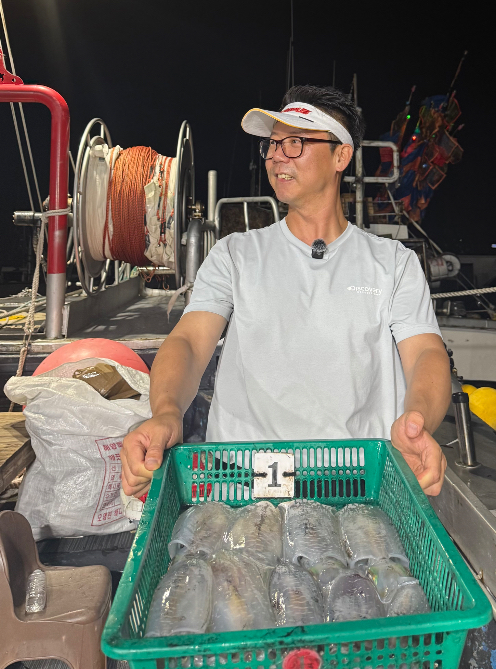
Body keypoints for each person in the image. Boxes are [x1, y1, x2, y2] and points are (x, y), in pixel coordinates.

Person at [121, 85, 451, 499]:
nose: (277, 156)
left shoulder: (394, 263)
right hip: (243, 478)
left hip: (359, 481)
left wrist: (417, 421)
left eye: (295, 143)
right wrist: (167, 412)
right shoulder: (235, 254)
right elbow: (189, 340)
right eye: (273, 145)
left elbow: (425, 353)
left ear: (341, 156)